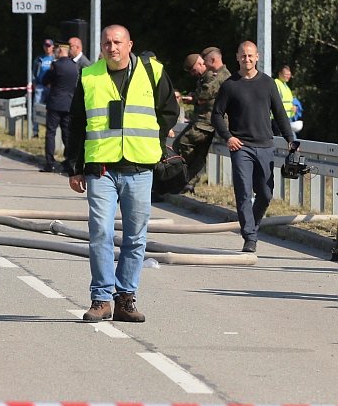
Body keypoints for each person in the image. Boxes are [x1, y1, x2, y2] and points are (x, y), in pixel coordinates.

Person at [67, 25, 178, 323]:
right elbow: (77, 123)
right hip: (101, 168)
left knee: (135, 237)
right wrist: (75, 167)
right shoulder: (89, 75)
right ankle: (101, 298)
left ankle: (126, 299)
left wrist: (154, 142)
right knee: (100, 233)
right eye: (106, 42)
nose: (112, 47)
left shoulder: (152, 71)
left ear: (130, 44)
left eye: (117, 42)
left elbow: (169, 109)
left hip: (140, 167)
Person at [211, 41, 296, 253]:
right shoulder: (230, 85)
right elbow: (217, 114)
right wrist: (228, 137)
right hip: (241, 148)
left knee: (266, 194)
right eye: (243, 56)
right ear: (237, 57)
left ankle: (253, 226)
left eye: (250, 56)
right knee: (243, 193)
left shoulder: (268, 84)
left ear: (257, 57)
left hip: (265, 146)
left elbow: (280, 113)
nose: (246, 59)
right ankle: (249, 237)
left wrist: (290, 139)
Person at [174, 52, 226, 189]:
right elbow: (201, 97)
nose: (193, 73)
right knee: (198, 153)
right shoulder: (204, 77)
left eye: (193, 69)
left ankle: (184, 177)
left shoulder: (212, 76)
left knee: (183, 144)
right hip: (202, 119)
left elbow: (206, 94)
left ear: (200, 63)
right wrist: (195, 98)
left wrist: (196, 97)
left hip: (207, 121)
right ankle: (188, 182)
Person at [41, 42, 79, 173]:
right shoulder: (74, 66)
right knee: (67, 133)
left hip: (55, 103)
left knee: (50, 133)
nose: (55, 51)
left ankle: (49, 163)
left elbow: (44, 80)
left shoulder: (55, 65)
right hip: (69, 104)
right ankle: (69, 161)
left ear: (61, 51)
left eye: (57, 49)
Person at [31, 38, 55, 136]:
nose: (47, 48)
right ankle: (35, 131)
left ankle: (49, 131)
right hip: (40, 87)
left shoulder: (55, 58)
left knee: (51, 110)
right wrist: (34, 83)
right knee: (36, 107)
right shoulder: (39, 59)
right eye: (46, 46)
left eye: (49, 46)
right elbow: (33, 73)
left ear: (52, 47)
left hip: (52, 88)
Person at [273, 65, 299, 135]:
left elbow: (289, 102)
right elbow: (275, 101)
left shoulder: (285, 86)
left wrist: (294, 107)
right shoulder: (276, 83)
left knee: (290, 141)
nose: (288, 76)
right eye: (286, 74)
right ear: (280, 74)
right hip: (280, 118)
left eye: (289, 74)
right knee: (289, 141)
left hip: (287, 118)